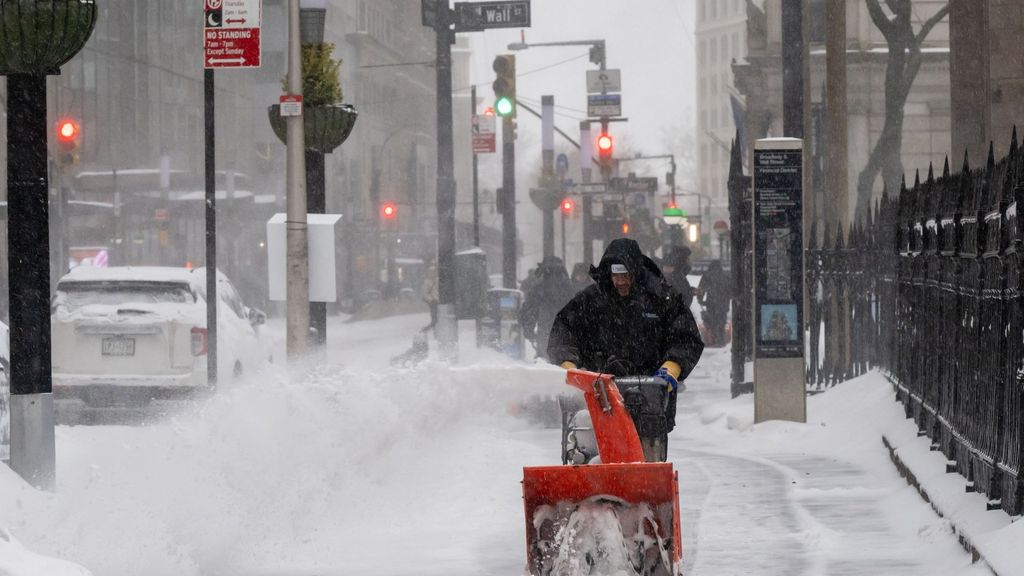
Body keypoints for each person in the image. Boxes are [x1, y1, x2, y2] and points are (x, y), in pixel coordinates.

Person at [547, 238, 705, 462]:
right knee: (589, 440)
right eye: (615, 276)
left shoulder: (661, 298)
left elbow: (685, 337)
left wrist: (671, 368)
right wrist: (569, 365)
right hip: (600, 393)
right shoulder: (592, 300)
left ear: (636, 272)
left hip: (648, 396)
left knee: (647, 454)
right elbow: (564, 329)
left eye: (625, 276)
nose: (620, 282)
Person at [519, 256, 576, 360]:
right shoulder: (567, 285)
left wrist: (528, 330)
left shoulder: (540, 285)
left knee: (546, 358)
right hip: (563, 329)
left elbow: (529, 308)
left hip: (546, 327)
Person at [697, 260, 729, 346]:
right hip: (723, 303)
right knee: (721, 322)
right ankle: (721, 340)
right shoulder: (725, 275)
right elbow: (730, 290)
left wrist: (700, 300)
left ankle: (714, 339)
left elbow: (701, 289)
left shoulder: (707, 275)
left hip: (711, 303)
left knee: (712, 321)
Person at [421, 263, 439, 332]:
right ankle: (433, 331)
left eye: (434, 272)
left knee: (439, 318)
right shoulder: (427, 282)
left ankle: (435, 331)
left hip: (439, 302)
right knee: (435, 318)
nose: (433, 274)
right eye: (431, 272)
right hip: (433, 302)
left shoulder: (438, 280)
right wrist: (431, 300)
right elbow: (424, 293)